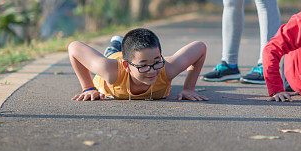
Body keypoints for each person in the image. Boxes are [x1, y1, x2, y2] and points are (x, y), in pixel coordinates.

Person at [68, 28, 208, 101]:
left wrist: (188, 88)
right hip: (114, 58)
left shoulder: (167, 68)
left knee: (150, 61)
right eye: (144, 66)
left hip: (132, 59)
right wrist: (88, 88)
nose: (152, 71)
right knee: (111, 52)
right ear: (127, 66)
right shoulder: (110, 71)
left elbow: (200, 47)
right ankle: (116, 43)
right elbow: (74, 47)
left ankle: (122, 45)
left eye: (157, 62)